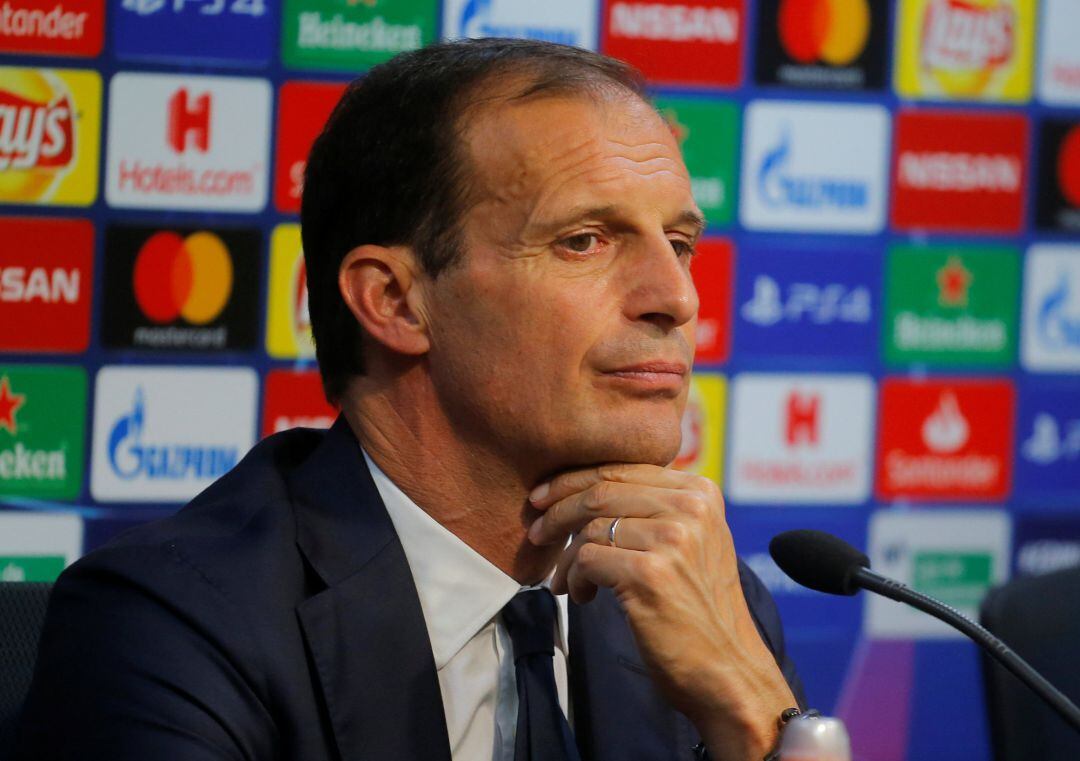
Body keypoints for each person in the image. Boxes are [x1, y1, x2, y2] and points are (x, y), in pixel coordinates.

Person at [16, 39, 804, 761]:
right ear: (394, 300)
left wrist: (759, 717)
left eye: (680, 244)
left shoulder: (696, 597)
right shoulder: (172, 625)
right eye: (584, 241)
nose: (675, 297)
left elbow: (753, 714)